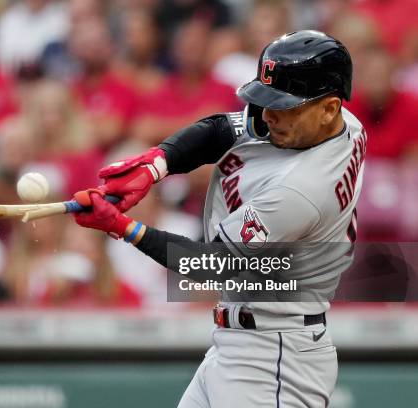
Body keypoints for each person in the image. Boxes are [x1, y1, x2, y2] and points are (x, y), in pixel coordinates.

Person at [72, 31, 365, 407]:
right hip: (245, 343)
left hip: (273, 359)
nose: (268, 115)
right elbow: (221, 130)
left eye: (284, 106)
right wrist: (156, 165)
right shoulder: (339, 123)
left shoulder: (301, 191)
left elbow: (208, 265)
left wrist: (122, 227)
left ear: (328, 108)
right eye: (267, 100)